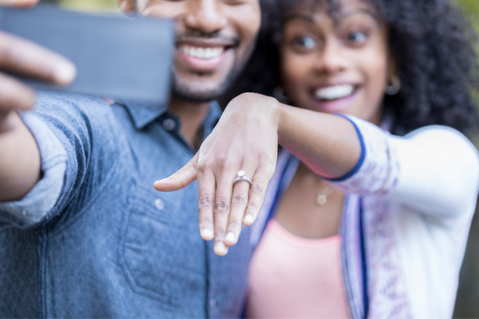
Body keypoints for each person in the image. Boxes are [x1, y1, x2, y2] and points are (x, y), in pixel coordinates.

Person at [154, 0, 479, 317]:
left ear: (395, 57)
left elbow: (380, 161)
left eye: (355, 36)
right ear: (277, 64)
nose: (329, 61)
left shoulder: (446, 156)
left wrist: (265, 110)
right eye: (303, 41)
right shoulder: (253, 170)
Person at [0, 0, 262, 317]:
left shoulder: (253, 146)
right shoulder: (88, 117)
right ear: (128, 4)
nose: (207, 19)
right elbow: (29, 153)